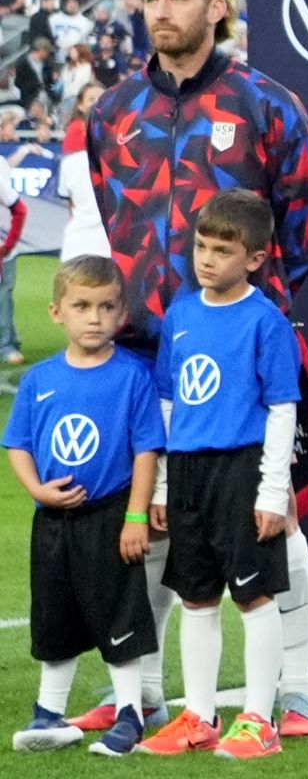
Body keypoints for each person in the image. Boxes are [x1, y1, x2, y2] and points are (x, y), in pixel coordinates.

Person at [79, 0, 308, 735]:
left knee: (277, 514)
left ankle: (298, 690)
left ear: (216, 7)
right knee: (154, 515)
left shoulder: (266, 103)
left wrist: (251, 309)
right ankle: (146, 692)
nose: (160, 11)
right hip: (146, 348)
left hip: (239, 349)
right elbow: (113, 214)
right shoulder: (112, 110)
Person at [144, 193, 304, 758]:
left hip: (242, 468)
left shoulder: (267, 323)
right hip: (188, 470)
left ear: (255, 259)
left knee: (254, 596)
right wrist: (163, 484)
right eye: (201, 247)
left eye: (222, 251)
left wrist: (272, 491)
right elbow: (168, 401)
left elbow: (282, 409)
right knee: (197, 597)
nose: (207, 260)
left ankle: (259, 720)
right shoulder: (182, 316)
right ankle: (199, 714)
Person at [9, 257, 163, 753]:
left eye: (106, 307)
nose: (94, 318)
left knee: (119, 614)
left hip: (111, 517)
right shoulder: (39, 380)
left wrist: (135, 516)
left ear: (121, 314)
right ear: (57, 313)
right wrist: (37, 490)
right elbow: (18, 444)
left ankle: (129, 714)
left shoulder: (133, 377)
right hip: (54, 521)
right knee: (54, 616)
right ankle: (48, 712)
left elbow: (146, 451)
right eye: (81, 306)